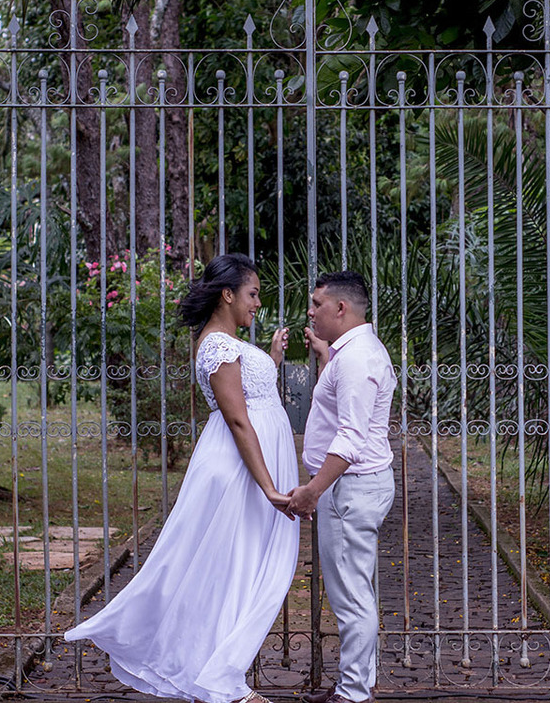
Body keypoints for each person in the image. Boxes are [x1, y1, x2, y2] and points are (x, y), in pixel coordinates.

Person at [64, 253, 298, 703]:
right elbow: (238, 420)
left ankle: (218, 674)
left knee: (241, 569)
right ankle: (221, 681)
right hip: (237, 472)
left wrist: (269, 357)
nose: (257, 304)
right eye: (252, 295)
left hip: (249, 468)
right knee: (231, 569)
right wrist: (267, 485)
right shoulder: (216, 345)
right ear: (227, 294)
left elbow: (253, 395)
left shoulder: (230, 342)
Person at [286, 271, 396, 703]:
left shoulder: (356, 360)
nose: (311, 311)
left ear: (340, 308)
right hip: (353, 488)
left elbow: (350, 437)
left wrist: (313, 489)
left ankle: (352, 695)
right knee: (356, 591)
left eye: (316, 303)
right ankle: (358, 685)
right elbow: (347, 401)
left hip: (348, 490)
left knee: (351, 599)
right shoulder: (352, 353)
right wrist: (324, 354)